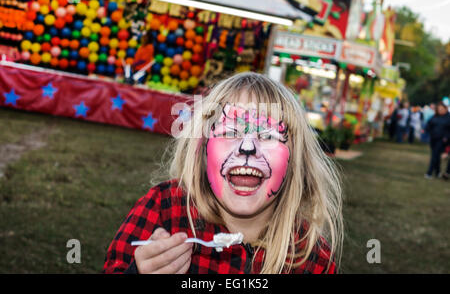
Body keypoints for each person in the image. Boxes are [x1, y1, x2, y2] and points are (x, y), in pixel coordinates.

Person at [103, 72, 343, 274]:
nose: (247, 147)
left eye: (268, 136)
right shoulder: (165, 209)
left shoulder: (310, 256)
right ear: (203, 150)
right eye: (229, 132)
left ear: (295, 163)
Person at [424, 101, 450, 179]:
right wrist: (428, 130)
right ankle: (438, 171)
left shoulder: (448, 118)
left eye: (442, 109)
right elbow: (428, 125)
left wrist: (446, 137)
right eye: (439, 109)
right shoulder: (434, 116)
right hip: (433, 139)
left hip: (442, 140)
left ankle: (429, 172)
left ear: (445, 109)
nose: (440, 110)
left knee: (434, 156)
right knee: (436, 156)